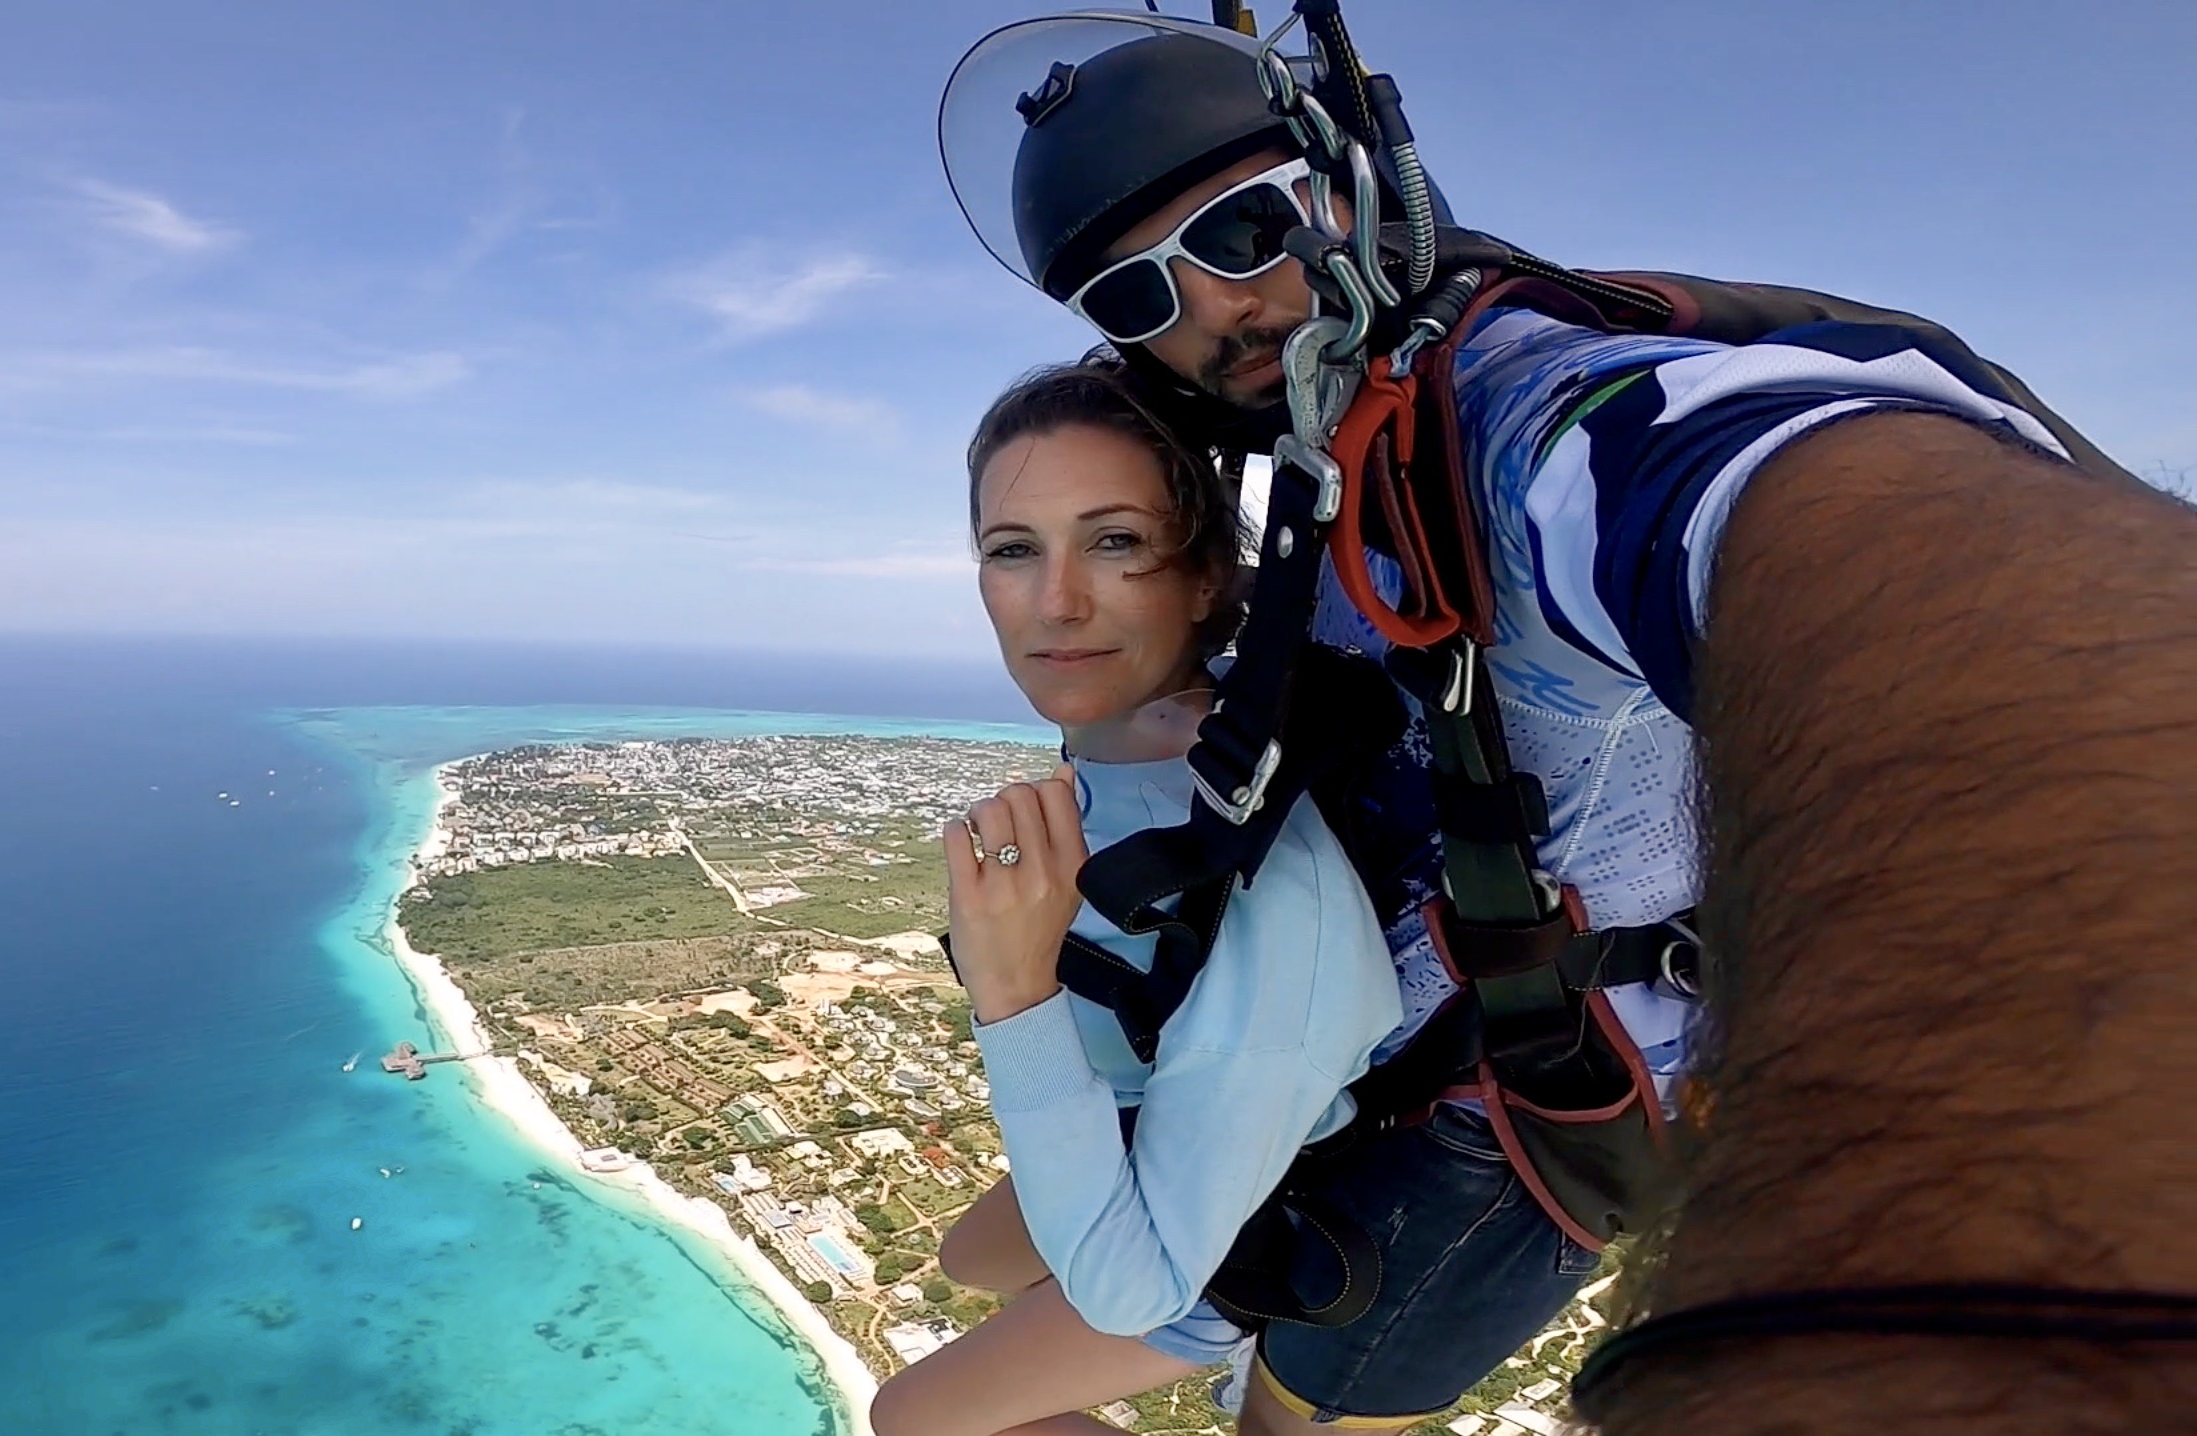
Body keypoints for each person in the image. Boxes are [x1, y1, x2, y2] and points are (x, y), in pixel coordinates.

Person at [937, 15, 2197, 1436]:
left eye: (1239, 232)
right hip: (1359, 1078)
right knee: (971, 1262)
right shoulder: (1333, 462)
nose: (1208, 310)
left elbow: (1754, 486)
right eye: (1132, 297)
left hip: (1491, 1151)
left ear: (1352, 190)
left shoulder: (1507, 413)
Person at [868, 360, 1461, 1436]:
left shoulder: (1271, 888)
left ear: (1201, 580)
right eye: (1014, 549)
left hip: (1239, 1216)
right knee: (970, 1257)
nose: (1057, 601)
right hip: (1152, 1113)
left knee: (915, 1417)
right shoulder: (1152, 737)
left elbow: (1131, 1286)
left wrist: (1012, 997)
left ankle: (1232, 1359)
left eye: (1115, 541)